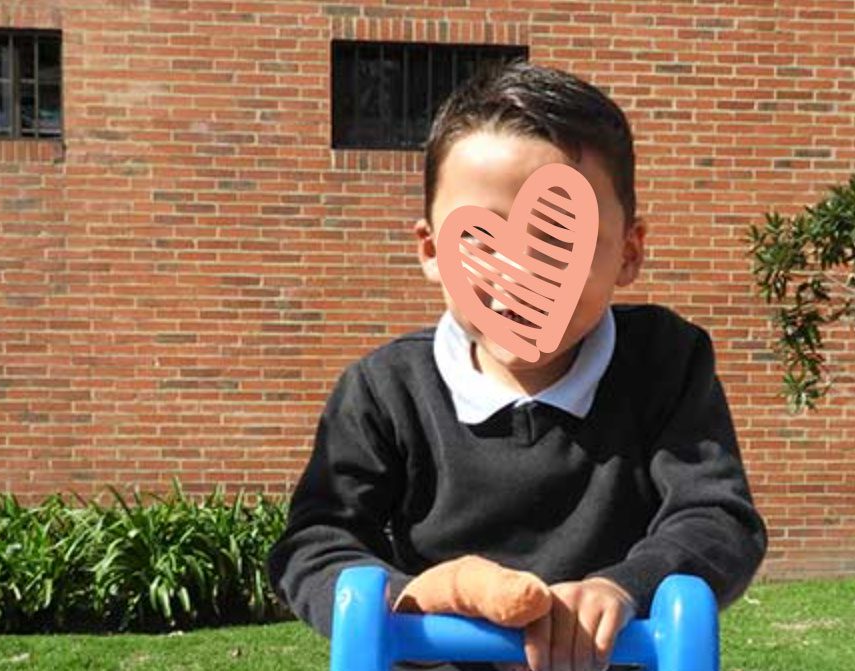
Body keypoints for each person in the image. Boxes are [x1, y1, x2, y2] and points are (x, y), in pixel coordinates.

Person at [266, 60, 767, 671]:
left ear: (628, 253)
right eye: (482, 242)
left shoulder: (664, 362)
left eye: (557, 242)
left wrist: (625, 586)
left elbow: (715, 518)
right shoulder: (384, 390)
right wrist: (417, 596)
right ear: (431, 250)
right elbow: (316, 544)